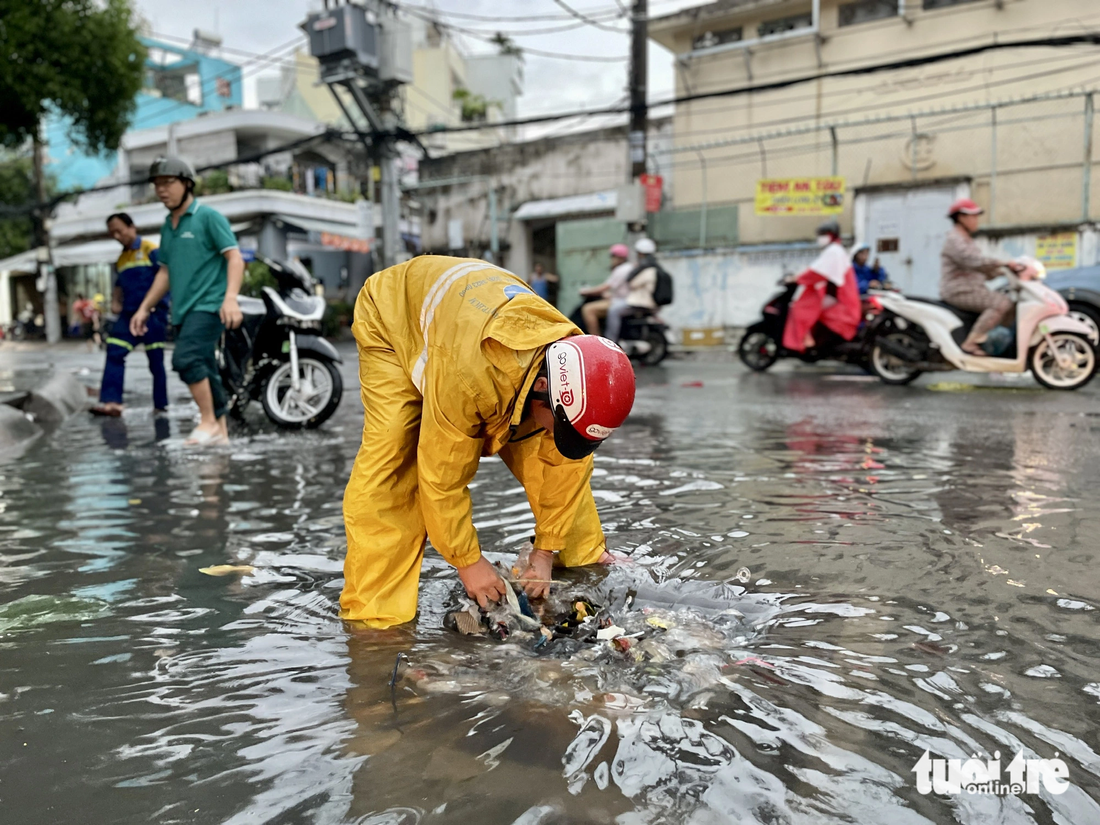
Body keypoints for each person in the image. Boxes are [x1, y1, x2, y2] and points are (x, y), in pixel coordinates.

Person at [341, 255, 637, 629]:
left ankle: (583, 554)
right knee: (395, 461)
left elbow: (566, 464)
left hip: (477, 320)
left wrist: (545, 552)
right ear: (543, 387)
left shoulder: (574, 356)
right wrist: (469, 564)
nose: (556, 435)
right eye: (561, 424)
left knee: (550, 448)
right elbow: (441, 477)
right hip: (394, 318)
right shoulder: (468, 380)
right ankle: (375, 616)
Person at [130, 157, 244, 446]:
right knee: (206, 369)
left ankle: (206, 421)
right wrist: (144, 307)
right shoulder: (168, 225)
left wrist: (230, 298)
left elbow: (234, 257)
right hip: (182, 310)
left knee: (185, 359)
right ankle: (221, 433)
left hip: (208, 305)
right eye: (157, 184)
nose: (161, 190)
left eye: (168, 182)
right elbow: (165, 272)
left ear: (187, 184)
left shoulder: (208, 217)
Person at [90, 213, 169, 417]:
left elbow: (166, 276)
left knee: (155, 361)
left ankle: (161, 405)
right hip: (128, 316)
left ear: (132, 227)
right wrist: (115, 301)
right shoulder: (121, 259)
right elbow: (119, 285)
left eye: (119, 230)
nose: (116, 235)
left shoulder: (151, 250)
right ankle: (112, 402)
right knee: (115, 351)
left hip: (153, 314)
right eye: (112, 233)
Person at [940, 198, 1027, 356]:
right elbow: (972, 261)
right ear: (961, 217)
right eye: (973, 216)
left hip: (972, 289)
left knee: (1011, 305)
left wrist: (1004, 271)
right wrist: (1004, 263)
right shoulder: (955, 239)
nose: (976, 221)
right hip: (959, 290)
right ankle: (971, 342)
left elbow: (980, 269)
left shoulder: (967, 240)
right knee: (1001, 302)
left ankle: (998, 346)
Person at [782, 221, 862, 352]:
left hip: (839, 298)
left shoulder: (834, 251)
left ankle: (806, 341)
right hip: (838, 295)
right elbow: (818, 270)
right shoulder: (836, 250)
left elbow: (815, 272)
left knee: (799, 307)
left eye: (823, 234)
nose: (820, 238)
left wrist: (795, 278)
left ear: (831, 235)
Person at [605, 237, 660, 343]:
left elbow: (633, 284)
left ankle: (610, 341)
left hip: (641, 301)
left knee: (613, 311)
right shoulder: (651, 265)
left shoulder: (646, 267)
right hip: (645, 301)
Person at [580, 244, 633, 336]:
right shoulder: (626, 268)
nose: (611, 259)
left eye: (613, 256)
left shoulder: (622, 269)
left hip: (622, 301)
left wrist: (586, 291)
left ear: (619, 257)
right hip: (620, 299)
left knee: (588, 309)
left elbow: (605, 286)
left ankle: (597, 339)